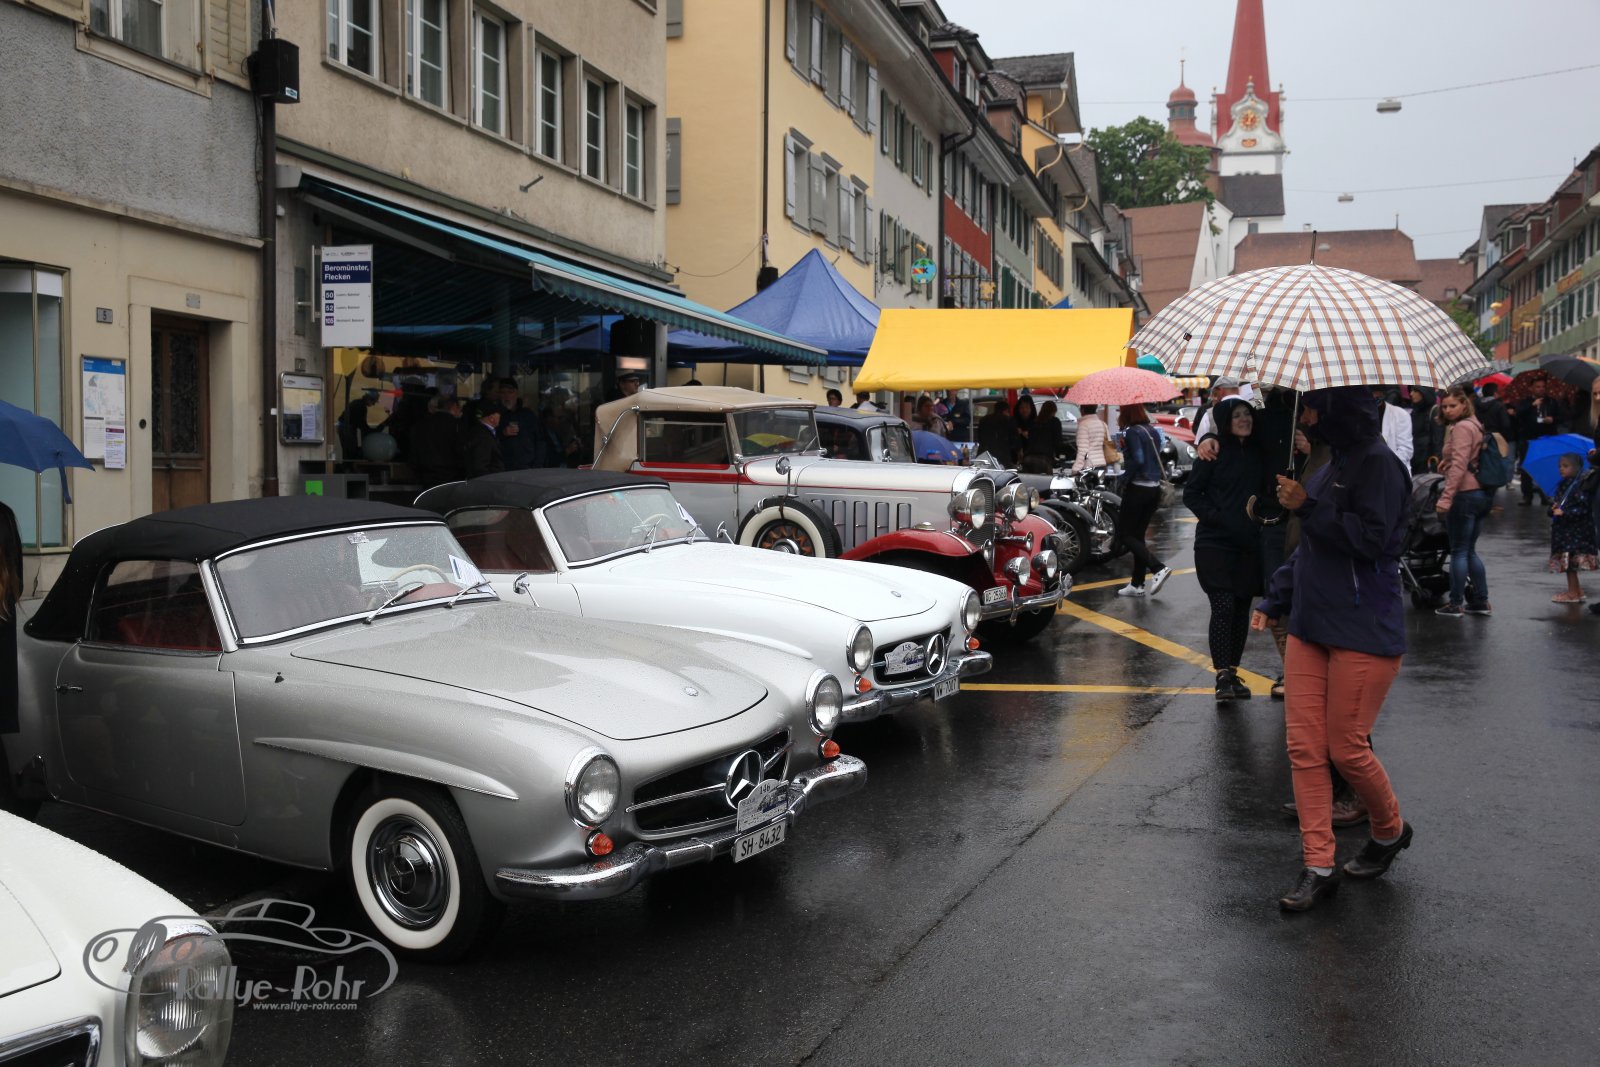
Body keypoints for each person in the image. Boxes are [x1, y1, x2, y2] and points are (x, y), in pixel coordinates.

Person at [1250, 386, 1413, 912]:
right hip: (1311, 624)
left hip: (1363, 627)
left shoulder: (1380, 465)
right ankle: (1318, 866)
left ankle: (1389, 829)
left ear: (1341, 410)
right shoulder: (1328, 464)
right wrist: (1276, 597)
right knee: (1304, 749)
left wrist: (1310, 505)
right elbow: (1309, 550)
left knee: (1346, 748)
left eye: (1314, 408)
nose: (1307, 417)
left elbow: (1374, 541)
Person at [1183, 398, 1273, 702]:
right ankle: (1222, 676)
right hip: (1215, 542)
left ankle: (1233, 671)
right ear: (1224, 421)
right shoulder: (1212, 452)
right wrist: (1218, 518)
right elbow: (1192, 494)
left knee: (1241, 608)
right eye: (1237, 416)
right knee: (1223, 606)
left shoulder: (1259, 452)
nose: (1244, 419)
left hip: (1249, 542)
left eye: (1247, 414)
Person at [1433, 386, 1494, 618]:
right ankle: (1481, 600)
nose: (1448, 410)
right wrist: (1447, 461)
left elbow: (1460, 465)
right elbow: (1467, 458)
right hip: (1480, 493)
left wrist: (1446, 498)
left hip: (1464, 494)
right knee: (1469, 551)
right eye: (1444, 407)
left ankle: (1456, 603)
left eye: (1453, 405)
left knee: (1459, 551)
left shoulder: (1461, 428)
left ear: (1464, 404)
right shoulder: (1476, 424)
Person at [1112, 403, 1173, 598]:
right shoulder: (1152, 430)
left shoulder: (1132, 432)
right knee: (1137, 536)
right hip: (1153, 489)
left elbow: (1138, 459)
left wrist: (1123, 478)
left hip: (1137, 488)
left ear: (1127, 413)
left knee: (1124, 535)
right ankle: (1137, 584)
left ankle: (1158, 568)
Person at [1548, 454, 1596, 604]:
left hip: (1575, 532)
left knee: (1570, 564)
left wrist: (1565, 512)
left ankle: (1572, 593)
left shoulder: (1580, 485)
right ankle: (1577, 590)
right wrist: (1553, 509)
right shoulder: (1564, 484)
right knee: (1569, 564)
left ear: (1576, 468)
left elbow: (1584, 508)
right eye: (1560, 466)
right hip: (1564, 531)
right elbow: (1560, 503)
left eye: (1565, 466)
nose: (1561, 469)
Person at [1515, 378, 1563, 505]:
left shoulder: (1551, 402)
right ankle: (1527, 495)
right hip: (1528, 438)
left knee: (1545, 467)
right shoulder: (1526, 402)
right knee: (1526, 467)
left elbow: (1561, 417)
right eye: (1538, 387)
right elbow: (1518, 414)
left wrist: (1552, 419)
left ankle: (1545, 495)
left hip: (1546, 437)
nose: (1541, 389)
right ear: (1531, 388)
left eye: (1543, 386)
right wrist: (1532, 406)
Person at [407, 393, 465, 487]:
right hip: (451, 477)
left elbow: (414, 453)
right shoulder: (456, 425)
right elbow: (461, 452)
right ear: (454, 406)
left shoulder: (420, 425)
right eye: (460, 408)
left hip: (426, 477)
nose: (460, 412)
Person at [491, 377, 545, 471]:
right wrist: (502, 433)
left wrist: (536, 466)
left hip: (527, 469)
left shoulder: (528, 415)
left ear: (516, 393)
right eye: (503, 392)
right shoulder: (494, 415)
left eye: (510, 392)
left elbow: (540, 441)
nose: (507, 396)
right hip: (503, 471)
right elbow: (486, 442)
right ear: (499, 395)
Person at [1374, 387, 1415, 473]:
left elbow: (1405, 450)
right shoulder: (1360, 415)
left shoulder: (1401, 414)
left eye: (1376, 392)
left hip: (1395, 472)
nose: (1374, 395)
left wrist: (1385, 464)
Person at [461, 402, 506, 478]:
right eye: (498, 414)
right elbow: (480, 466)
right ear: (491, 418)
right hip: (488, 481)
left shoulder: (484, 432)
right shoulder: (482, 436)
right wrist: (488, 481)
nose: (500, 416)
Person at [1193, 376, 1243, 443]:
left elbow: (1200, 443)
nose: (1215, 396)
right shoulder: (1252, 408)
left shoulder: (1210, 414)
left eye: (1215, 392)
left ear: (1221, 391)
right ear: (1238, 389)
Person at [1022, 400, 1062, 473]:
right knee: (1045, 480)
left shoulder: (1034, 421)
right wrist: (1058, 454)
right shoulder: (1055, 422)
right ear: (1053, 411)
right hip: (1044, 459)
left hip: (1028, 458)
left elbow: (1030, 439)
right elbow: (1057, 440)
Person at [1072, 404, 1109, 472]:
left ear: (1082, 410)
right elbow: (1108, 442)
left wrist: (1076, 468)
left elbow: (1083, 451)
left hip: (1089, 466)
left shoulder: (1083, 426)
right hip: (1102, 464)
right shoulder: (1102, 424)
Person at [1012, 395, 1038, 467]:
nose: (1024, 410)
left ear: (1031, 408)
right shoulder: (1013, 421)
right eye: (1022, 407)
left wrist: (1025, 434)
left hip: (1032, 457)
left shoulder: (1036, 422)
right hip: (1014, 457)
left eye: (1027, 407)